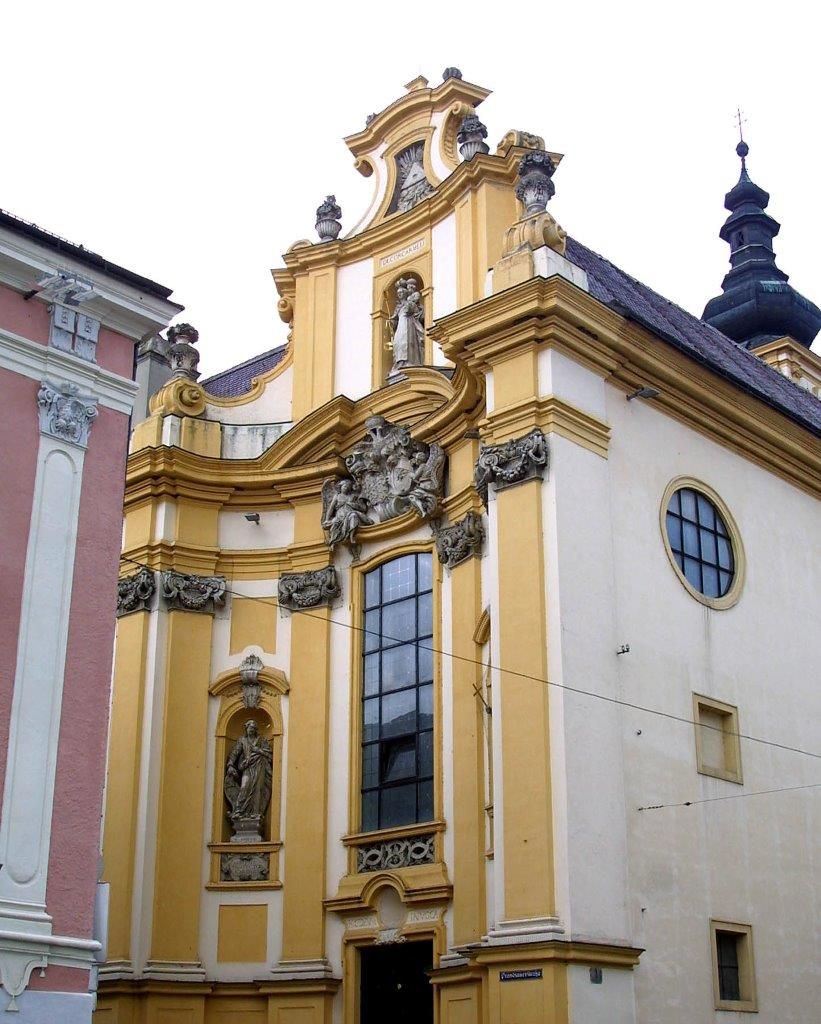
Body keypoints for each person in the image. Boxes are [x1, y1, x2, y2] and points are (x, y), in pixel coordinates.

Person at [224, 720, 273, 834]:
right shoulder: (242, 741)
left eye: (253, 728)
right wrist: (230, 765)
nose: (251, 730)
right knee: (244, 787)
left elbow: (269, 755)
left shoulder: (262, 740)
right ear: (246, 729)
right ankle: (239, 811)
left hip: (260, 768)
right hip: (247, 768)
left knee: (258, 790)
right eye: (249, 728)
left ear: (256, 730)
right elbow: (234, 753)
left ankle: (255, 813)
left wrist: (258, 751)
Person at [388, 277, 425, 374]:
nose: (399, 295)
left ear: (405, 293)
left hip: (409, 326)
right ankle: (399, 364)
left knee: (408, 343)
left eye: (401, 293)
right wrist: (391, 322)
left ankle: (410, 362)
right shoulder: (398, 307)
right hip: (400, 327)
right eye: (398, 293)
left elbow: (418, 314)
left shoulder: (410, 304)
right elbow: (394, 319)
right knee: (398, 344)